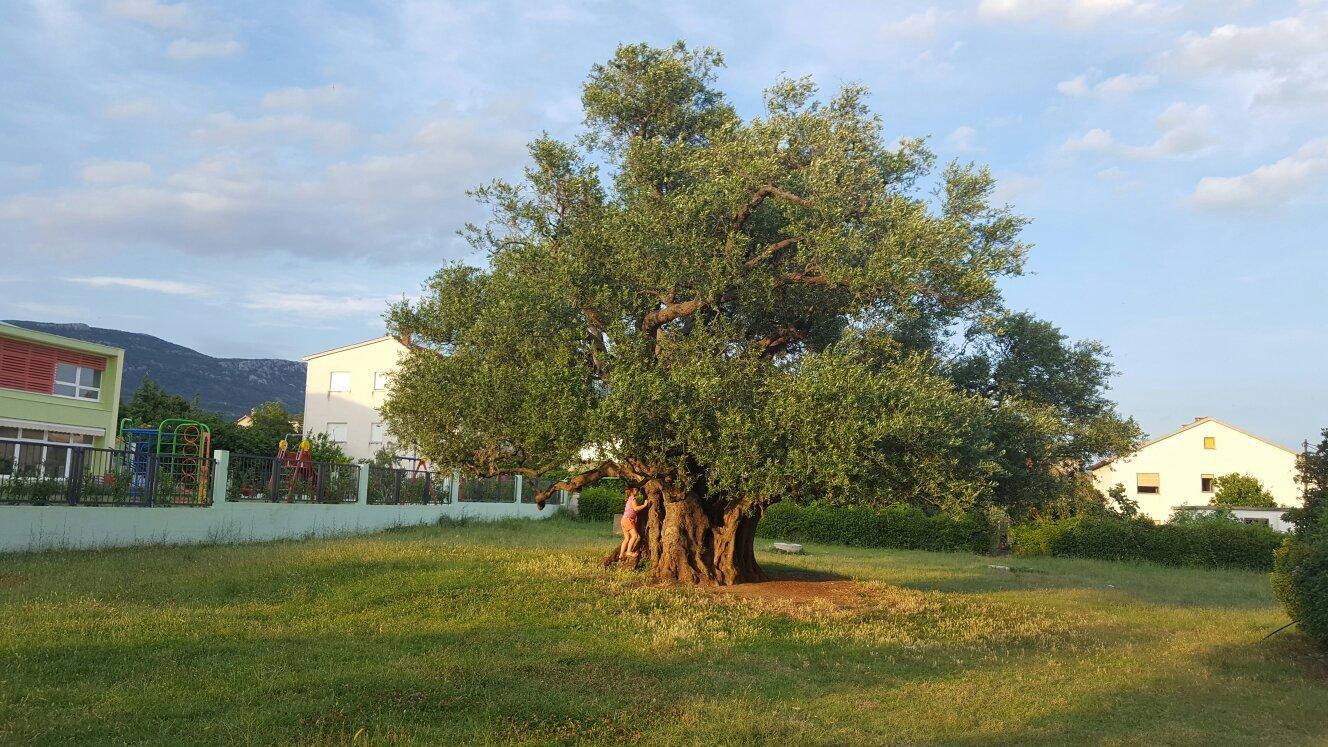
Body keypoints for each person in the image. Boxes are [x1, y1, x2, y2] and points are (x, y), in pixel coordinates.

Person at [618, 486, 650, 559]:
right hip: (628, 520)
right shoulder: (633, 498)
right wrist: (644, 505)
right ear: (632, 491)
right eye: (636, 490)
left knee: (626, 538)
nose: (638, 491)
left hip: (624, 520)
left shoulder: (629, 499)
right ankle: (629, 551)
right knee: (635, 536)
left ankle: (621, 554)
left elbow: (634, 510)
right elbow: (635, 508)